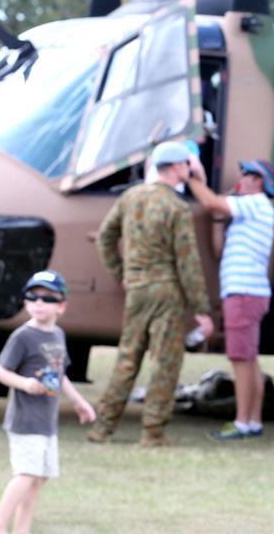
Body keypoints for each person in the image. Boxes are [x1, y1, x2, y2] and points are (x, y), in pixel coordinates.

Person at [88, 141, 214, 447]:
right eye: (186, 164)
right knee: (166, 361)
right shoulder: (176, 207)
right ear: (174, 168)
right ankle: (153, 430)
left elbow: (105, 237)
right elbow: (187, 260)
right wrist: (201, 308)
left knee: (128, 357)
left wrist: (122, 274)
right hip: (167, 290)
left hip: (137, 289)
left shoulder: (130, 198)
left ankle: (102, 427)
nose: (189, 168)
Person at [0, 270, 96, 534]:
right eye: (32, 297)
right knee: (26, 474)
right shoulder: (23, 336)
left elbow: (60, 374)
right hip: (25, 420)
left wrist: (80, 402)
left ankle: (22, 528)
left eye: (47, 298)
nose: (39, 303)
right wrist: (24, 384)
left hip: (47, 422)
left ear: (61, 306)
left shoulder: (57, 335)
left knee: (39, 478)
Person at [185, 157, 274, 440]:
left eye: (246, 174)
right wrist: (218, 217)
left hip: (243, 292)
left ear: (258, 182)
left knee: (240, 359)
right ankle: (253, 421)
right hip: (247, 292)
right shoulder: (251, 210)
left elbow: (212, 202)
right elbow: (219, 248)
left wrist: (192, 177)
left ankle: (242, 422)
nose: (240, 178)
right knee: (249, 360)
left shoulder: (256, 203)